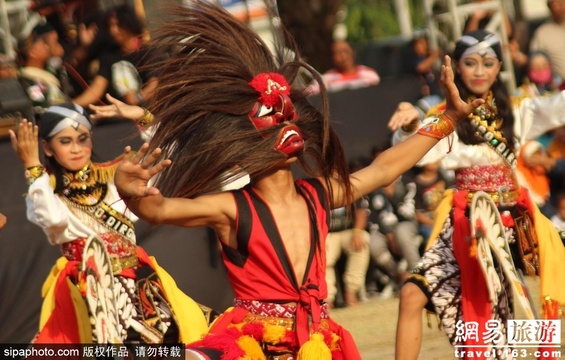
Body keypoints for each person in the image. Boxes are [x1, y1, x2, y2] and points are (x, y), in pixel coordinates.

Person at [111, 1, 484, 358]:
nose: (287, 124)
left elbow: (385, 168)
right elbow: (159, 210)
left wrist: (447, 117)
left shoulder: (319, 193)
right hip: (252, 345)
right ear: (243, 140)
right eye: (273, 120)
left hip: (318, 343)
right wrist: (129, 191)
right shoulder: (231, 208)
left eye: (288, 116)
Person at [389, 30, 565, 360]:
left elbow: (558, 107)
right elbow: (414, 153)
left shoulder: (517, 110)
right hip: (466, 225)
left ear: (500, 66)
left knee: (504, 318)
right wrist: (410, 127)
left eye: (488, 63)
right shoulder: (446, 116)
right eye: (470, 63)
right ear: (455, 67)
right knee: (413, 294)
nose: (480, 71)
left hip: (513, 224)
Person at [8, 103, 209, 344]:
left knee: (176, 342)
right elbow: (54, 220)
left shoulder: (115, 176)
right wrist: (32, 167)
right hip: (91, 290)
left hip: (141, 284)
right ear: (47, 148)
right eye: (65, 141)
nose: (76, 148)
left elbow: (167, 156)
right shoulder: (44, 191)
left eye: (82, 139)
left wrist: (144, 117)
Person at [72, 4, 160, 108]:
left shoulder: (148, 52)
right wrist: (71, 104)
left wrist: (138, 97)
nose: (113, 30)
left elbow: (154, 84)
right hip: (119, 116)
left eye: (118, 25)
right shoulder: (109, 55)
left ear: (130, 25)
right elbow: (97, 89)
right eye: (110, 26)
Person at [325, 197, 370, 308]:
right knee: (322, 254)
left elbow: (361, 212)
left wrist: (357, 232)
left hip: (349, 231)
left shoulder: (346, 184)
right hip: (326, 234)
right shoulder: (315, 186)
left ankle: (351, 292)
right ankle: (327, 299)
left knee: (363, 240)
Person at [307, 39, 380, 95]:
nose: (343, 56)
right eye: (338, 53)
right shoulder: (326, 80)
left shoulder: (370, 75)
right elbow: (308, 93)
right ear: (333, 57)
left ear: (353, 52)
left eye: (345, 51)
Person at [529, 0, 565, 81]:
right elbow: (535, 62)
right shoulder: (542, 32)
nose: (562, 6)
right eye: (558, 3)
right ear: (549, 6)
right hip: (559, 87)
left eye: (564, 2)